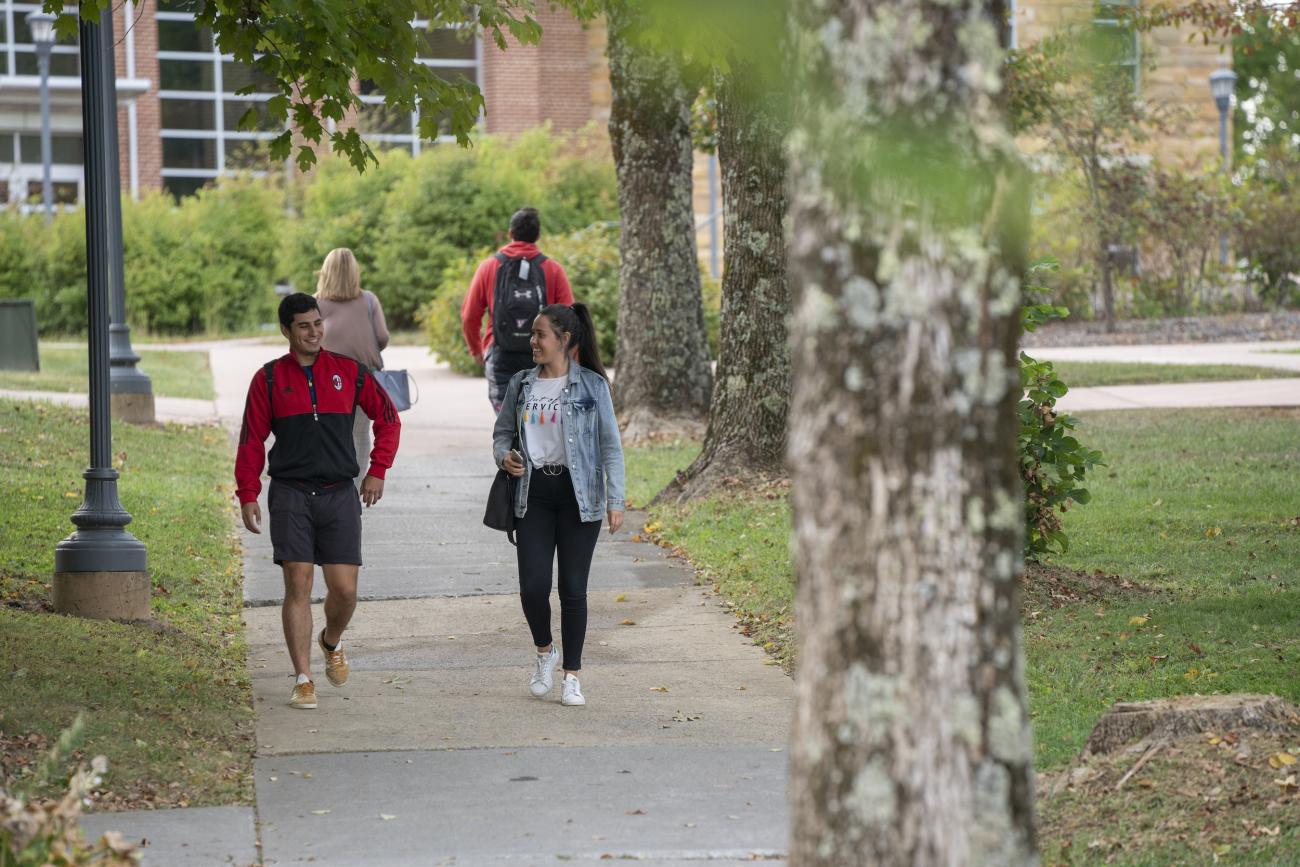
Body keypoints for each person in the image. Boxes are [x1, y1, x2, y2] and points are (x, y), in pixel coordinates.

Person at [236, 293, 401, 710]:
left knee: (344, 591)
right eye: (304, 326)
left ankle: (331, 641)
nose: (313, 332)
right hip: (291, 494)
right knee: (298, 582)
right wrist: (248, 492)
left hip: (338, 494)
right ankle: (303, 677)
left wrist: (377, 469)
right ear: (286, 331)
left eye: (317, 323)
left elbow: (387, 419)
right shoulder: (269, 379)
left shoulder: (349, 372)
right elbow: (252, 440)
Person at [493, 303, 624, 707]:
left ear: (564, 340)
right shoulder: (521, 384)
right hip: (532, 493)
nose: (532, 342)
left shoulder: (593, 386)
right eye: (532, 334)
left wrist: (615, 499)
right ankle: (544, 651)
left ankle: (572, 675)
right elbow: (501, 433)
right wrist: (505, 457)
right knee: (532, 587)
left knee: (573, 589)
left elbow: (610, 447)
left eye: (540, 335)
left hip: (579, 497)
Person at [462, 207, 574, 412]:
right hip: (543, 355)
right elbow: (570, 318)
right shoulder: (553, 269)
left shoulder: (489, 267)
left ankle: (513, 443)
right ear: (538, 236)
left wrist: (476, 350)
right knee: (539, 420)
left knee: (507, 423)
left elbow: (470, 315)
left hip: (499, 355)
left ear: (510, 233)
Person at [314, 247, 390, 483]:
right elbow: (383, 337)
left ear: (326, 272)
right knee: (359, 432)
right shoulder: (368, 300)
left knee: (328, 431)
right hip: (363, 377)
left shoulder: (315, 303)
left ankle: (329, 483)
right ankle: (353, 488)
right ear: (355, 272)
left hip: (325, 379)